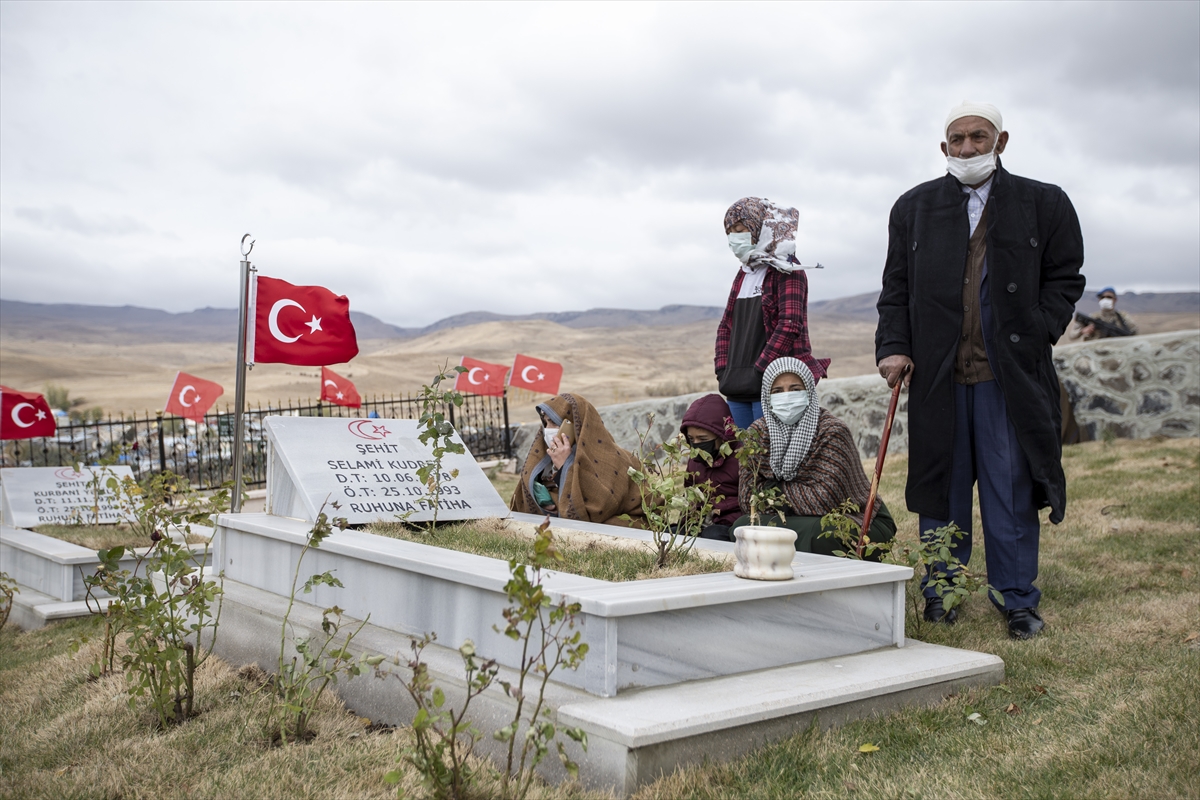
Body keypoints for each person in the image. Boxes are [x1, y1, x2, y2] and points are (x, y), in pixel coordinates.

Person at [875, 101, 1085, 639]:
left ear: (1002, 140)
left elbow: (1066, 278)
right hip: (938, 377)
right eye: (956, 139)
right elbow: (895, 288)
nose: (967, 148)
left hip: (1007, 378)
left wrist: (1039, 330)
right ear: (943, 148)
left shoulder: (1045, 202)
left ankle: (1016, 599)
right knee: (941, 488)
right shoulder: (913, 207)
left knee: (1011, 488)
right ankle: (942, 592)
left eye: (978, 137)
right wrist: (894, 345)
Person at [731, 357, 896, 557]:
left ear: (809, 391)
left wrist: (770, 490)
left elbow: (824, 500)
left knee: (822, 534)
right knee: (741, 528)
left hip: (858, 520)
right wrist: (798, 494)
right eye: (777, 391)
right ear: (767, 397)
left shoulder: (831, 431)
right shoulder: (758, 433)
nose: (787, 397)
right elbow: (747, 499)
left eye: (795, 389)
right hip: (794, 520)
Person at [714, 197, 830, 430]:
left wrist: (761, 370)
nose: (735, 238)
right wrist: (722, 369)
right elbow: (727, 325)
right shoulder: (744, 273)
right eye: (730, 232)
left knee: (771, 453)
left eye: (741, 230)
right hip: (737, 387)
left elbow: (789, 324)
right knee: (747, 458)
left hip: (775, 384)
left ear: (759, 228)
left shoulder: (787, 269)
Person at [509, 393, 645, 527]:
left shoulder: (613, 459)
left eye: (554, 423)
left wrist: (564, 467)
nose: (547, 430)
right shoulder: (546, 457)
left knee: (612, 525)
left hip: (631, 519)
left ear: (575, 426)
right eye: (545, 422)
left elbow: (598, 510)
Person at [680, 394, 741, 541]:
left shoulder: (740, 457)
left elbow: (745, 501)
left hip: (731, 522)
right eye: (692, 439)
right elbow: (690, 494)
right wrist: (687, 522)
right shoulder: (695, 460)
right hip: (703, 520)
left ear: (722, 435)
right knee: (677, 533)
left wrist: (720, 514)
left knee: (712, 536)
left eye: (703, 439)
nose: (697, 444)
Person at [1065, 286, 1138, 341]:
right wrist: (1082, 331)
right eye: (1103, 297)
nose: (1105, 299)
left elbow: (1134, 333)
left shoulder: (1123, 317)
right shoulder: (1093, 317)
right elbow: (1072, 335)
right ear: (1099, 300)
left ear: (1115, 299)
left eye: (1109, 297)